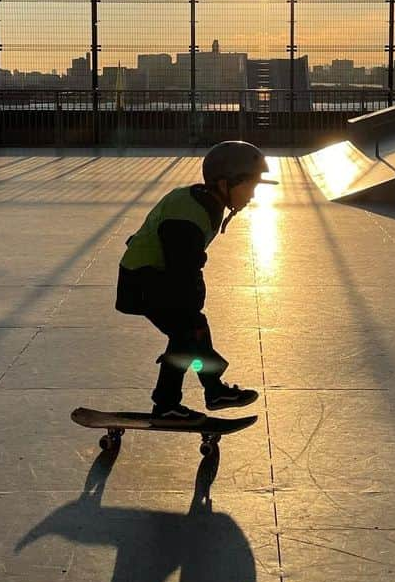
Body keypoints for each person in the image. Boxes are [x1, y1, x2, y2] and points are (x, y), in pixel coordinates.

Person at [115, 140, 276, 419]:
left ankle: (212, 389)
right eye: (249, 186)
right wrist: (192, 298)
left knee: (191, 333)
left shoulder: (203, 201)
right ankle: (167, 404)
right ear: (224, 183)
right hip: (143, 281)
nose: (252, 195)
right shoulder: (187, 217)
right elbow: (181, 267)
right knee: (186, 335)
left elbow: (184, 269)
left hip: (155, 278)